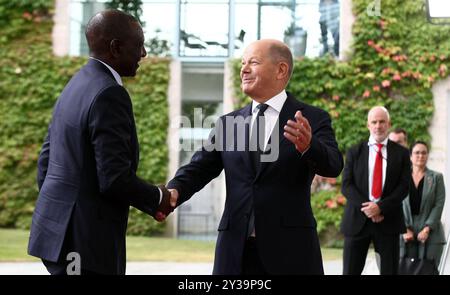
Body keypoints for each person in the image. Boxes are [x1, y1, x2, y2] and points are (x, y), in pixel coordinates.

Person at [166, 39, 343, 275]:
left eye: (253, 62)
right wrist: (174, 190)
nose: (244, 69)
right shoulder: (228, 123)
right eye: (242, 63)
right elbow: (199, 168)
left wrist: (309, 146)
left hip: (291, 252)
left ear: (281, 70)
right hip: (235, 253)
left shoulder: (312, 118)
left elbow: (333, 165)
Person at [27, 10, 176, 275]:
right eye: (138, 44)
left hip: (57, 235)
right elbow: (114, 178)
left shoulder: (75, 84)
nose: (143, 53)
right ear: (116, 48)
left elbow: (46, 162)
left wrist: (61, 213)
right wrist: (158, 197)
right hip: (87, 242)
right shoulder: (110, 93)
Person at [341, 106, 410, 275]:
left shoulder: (401, 153)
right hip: (358, 220)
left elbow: (404, 187)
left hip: (388, 221)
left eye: (382, 122)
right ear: (368, 125)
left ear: (389, 124)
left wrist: (380, 207)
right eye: (374, 122)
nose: (378, 126)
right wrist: (370, 209)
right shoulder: (354, 151)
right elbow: (347, 185)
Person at [400, 141, 446, 269]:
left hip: (431, 233)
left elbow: (439, 204)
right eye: (417, 153)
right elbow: (394, 204)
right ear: (410, 156)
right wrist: (403, 228)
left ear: (427, 155)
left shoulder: (437, 178)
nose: (421, 156)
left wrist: (427, 229)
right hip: (405, 232)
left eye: (424, 153)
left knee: (428, 270)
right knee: (404, 270)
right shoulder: (400, 177)